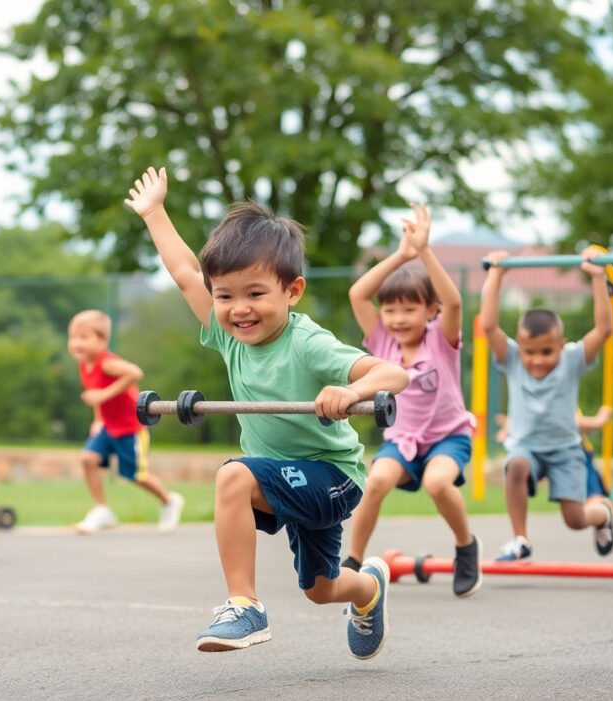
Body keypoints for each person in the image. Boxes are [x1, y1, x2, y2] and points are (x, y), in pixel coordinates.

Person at [125, 166, 409, 658]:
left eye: (255, 294)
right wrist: (154, 214)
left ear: (291, 291)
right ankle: (369, 589)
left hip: (332, 476)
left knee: (233, 478)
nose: (240, 309)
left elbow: (392, 374)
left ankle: (245, 605)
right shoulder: (228, 335)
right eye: (226, 296)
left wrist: (349, 390)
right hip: (283, 473)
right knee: (321, 589)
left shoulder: (307, 342)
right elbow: (187, 272)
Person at [340, 204, 480, 598]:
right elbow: (357, 293)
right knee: (376, 481)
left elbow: (453, 302)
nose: (398, 318)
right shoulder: (382, 339)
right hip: (401, 441)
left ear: (429, 311)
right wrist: (401, 255)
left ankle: (466, 547)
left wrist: (424, 251)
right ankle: (352, 560)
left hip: (447, 437)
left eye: (409, 309)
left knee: (438, 484)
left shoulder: (442, 338)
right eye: (390, 309)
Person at [480, 250, 613, 562]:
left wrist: (597, 279)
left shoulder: (570, 360)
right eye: (530, 352)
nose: (537, 360)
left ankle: (604, 513)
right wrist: (497, 275)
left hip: (566, 450)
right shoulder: (512, 360)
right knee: (515, 466)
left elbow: (603, 330)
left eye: (546, 352)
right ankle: (520, 539)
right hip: (527, 447)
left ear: (561, 344)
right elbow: (488, 326)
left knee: (575, 519)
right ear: (520, 346)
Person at [67, 309, 185, 533]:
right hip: (108, 427)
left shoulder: (107, 363)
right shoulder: (85, 365)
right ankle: (103, 510)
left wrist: (102, 396)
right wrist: (98, 419)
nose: (76, 343)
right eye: (73, 338)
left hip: (130, 428)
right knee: (87, 459)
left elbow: (134, 373)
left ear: (103, 340)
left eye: (83, 337)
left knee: (135, 476)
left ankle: (169, 501)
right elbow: (97, 393)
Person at [495, 405, 613, 506]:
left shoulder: (561, 396)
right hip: (547, 452)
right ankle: (607, 501)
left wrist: (600, 419)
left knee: (591, 498)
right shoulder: (532, 396)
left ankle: (607, 507)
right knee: (586, 501)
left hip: (575, 454)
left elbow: (575, 423)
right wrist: (507, 428)